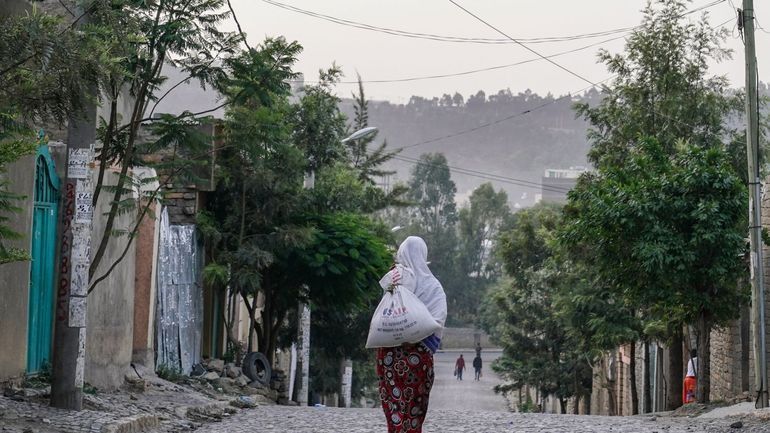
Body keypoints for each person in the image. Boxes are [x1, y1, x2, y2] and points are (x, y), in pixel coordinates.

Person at [376, 236, 447, 433]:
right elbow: (438, 320)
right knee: (415, 409)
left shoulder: (394, 277)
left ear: (401, 253)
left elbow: (385, 313)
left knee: (394, 406)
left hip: (389, 355)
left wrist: (399, 334)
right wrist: (416, 336)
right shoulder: (433, 286)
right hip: (419, 357)